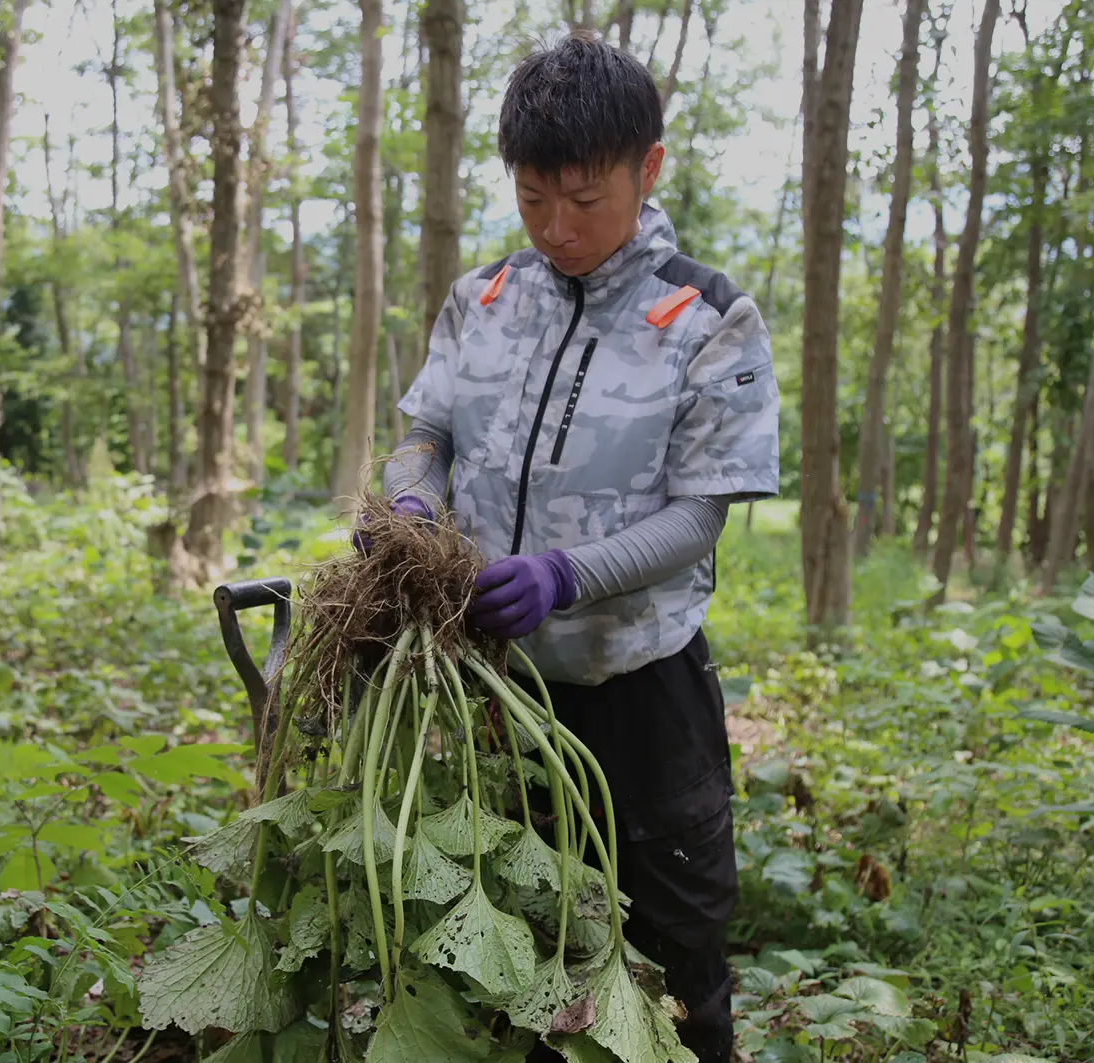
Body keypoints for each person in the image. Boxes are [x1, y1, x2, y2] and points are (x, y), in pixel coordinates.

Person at [378, 31, 780, 1063]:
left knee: (673, 952)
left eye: (585, 201)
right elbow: (424, 435)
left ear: (647, 170)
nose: (556, 227)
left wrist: (563, 575)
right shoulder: (483, 302)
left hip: (641, 694)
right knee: (517, 947)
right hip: (492, 695)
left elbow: (699, 515)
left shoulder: (705, 318)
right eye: (531, 199)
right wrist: (414, 506)